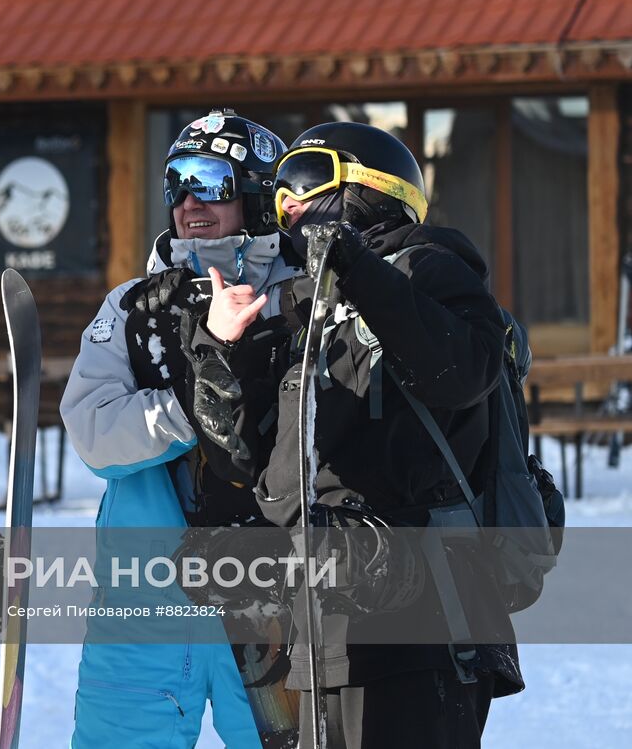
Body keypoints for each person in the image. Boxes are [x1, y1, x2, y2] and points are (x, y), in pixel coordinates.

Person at [195, 121, 521, 748]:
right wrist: (222, 351)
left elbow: (465, 371)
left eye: (307, 179)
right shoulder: (303, 303)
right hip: (322, 617)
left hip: (423, 613)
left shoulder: (432, 267)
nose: (290, 203)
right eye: (280, 190)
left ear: (373, 187)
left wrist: (356, 265)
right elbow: (248, 458)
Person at [60, 110, 302, 748]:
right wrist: (198, 404)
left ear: (255, 193)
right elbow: (92, 432)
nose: (190, 200)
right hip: (146, 604)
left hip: (277, 598)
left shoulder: (306, 302)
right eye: (177, 183)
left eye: (210, 181)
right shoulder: (134, 308)